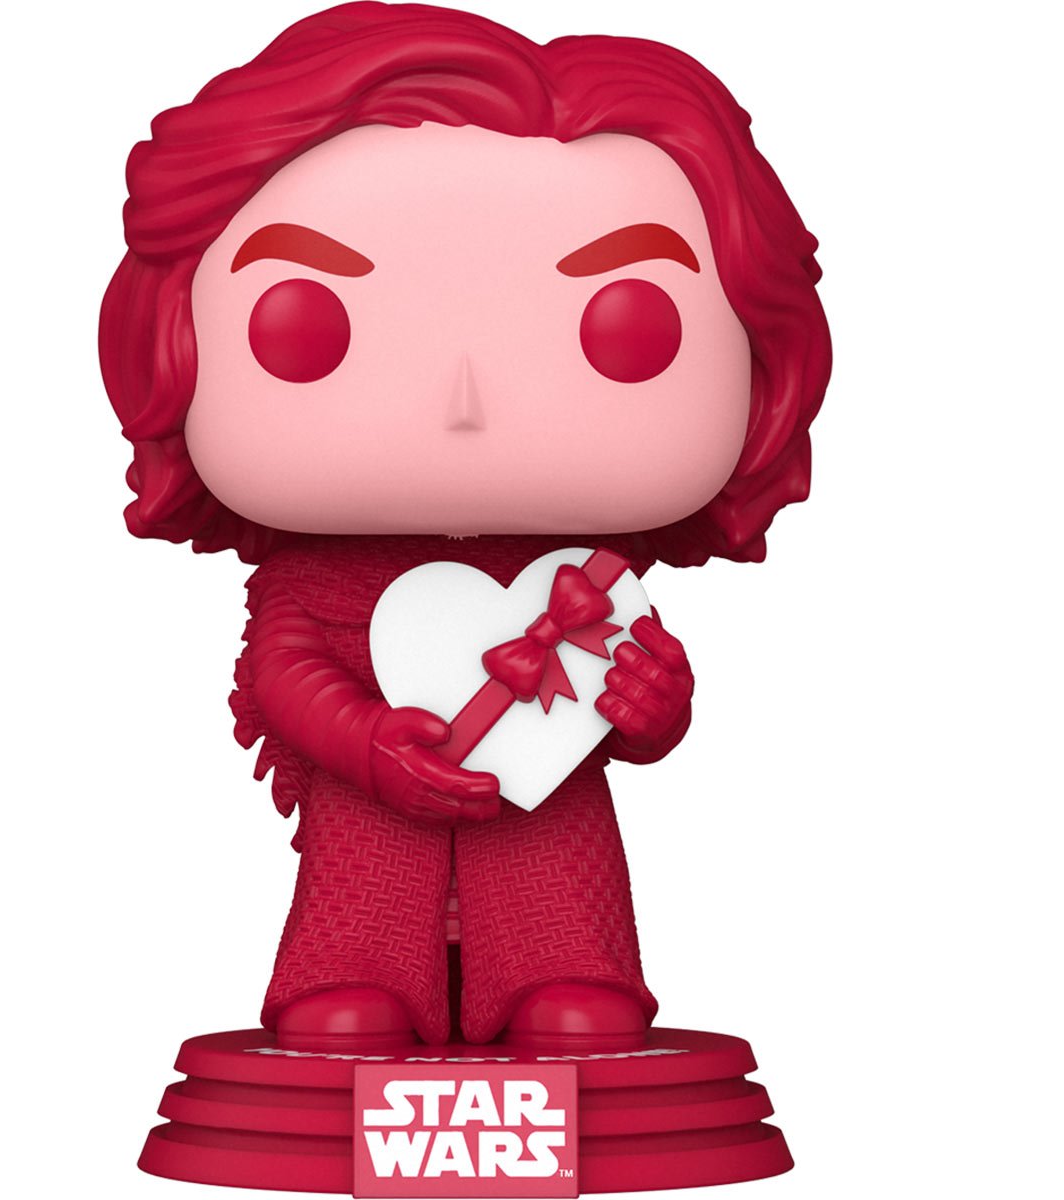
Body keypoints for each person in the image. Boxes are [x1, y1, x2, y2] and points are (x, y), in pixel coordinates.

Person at [99, 1, 831, 1051]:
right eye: (307, 326)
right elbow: (282, 670)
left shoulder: (589, 575)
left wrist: (653, 706)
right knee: (360, 892)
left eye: (628, 328)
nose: (464, 400)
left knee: (559, 880)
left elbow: (636, 702)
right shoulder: (315, 578)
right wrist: (360, 739)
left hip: (546, 815)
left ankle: (568, 976)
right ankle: (350, 979)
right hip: (369, 805)